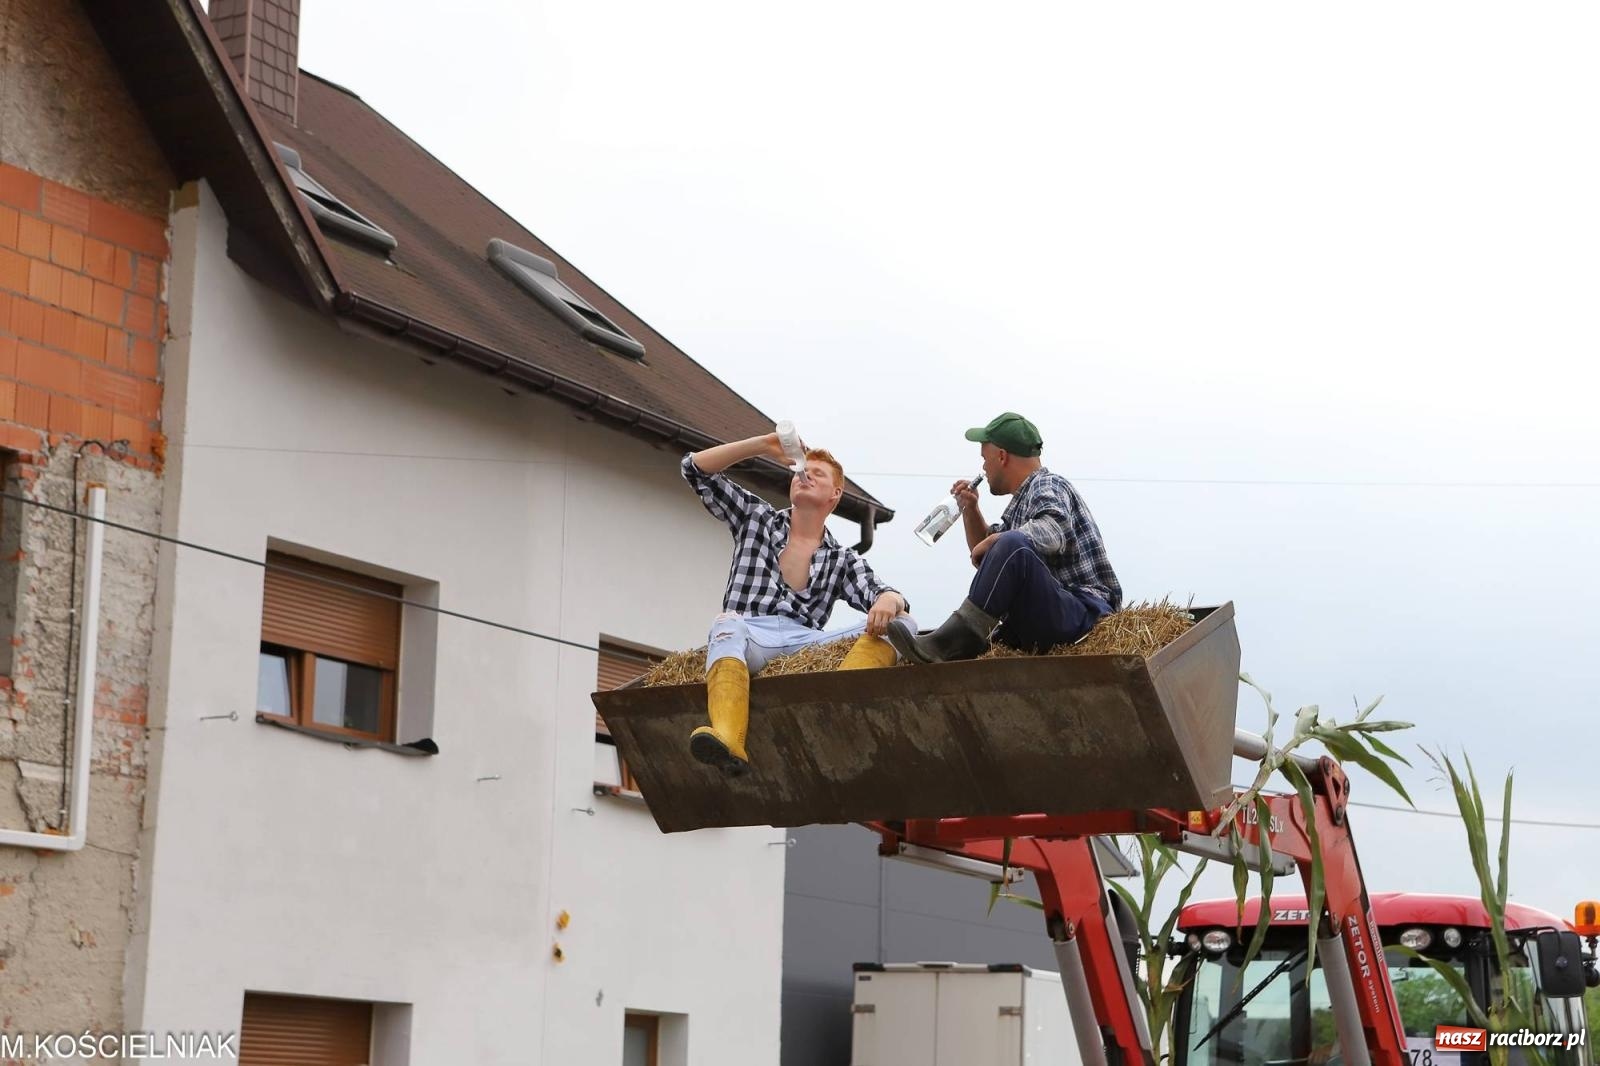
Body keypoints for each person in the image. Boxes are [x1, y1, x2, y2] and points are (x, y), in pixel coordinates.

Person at [681, 433, 914, 775]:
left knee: (903, 623)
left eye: (817, 474)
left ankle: (838, 700)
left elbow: (884, 593)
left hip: (806, 644)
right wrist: (762, 445)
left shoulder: (841, 559)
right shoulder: (757, 518)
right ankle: (729, 738)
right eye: (801, 472)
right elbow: (695, 469)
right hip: (750, 634)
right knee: (726, 624)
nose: (804, 475)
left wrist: (890, 599)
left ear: (835, 494)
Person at [885, 412, 1120, 663]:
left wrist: (998, 540)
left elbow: (1053, 531)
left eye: (984, 459)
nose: (984, 468)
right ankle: (954, 644)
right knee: (1009, 545)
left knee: (1011, 543)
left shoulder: (1047, 484)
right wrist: (971, 509)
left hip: (1082, 614)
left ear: (1001, 456)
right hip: (1049, 614)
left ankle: (950, 644)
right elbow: (990, 558)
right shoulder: (1021, 506)